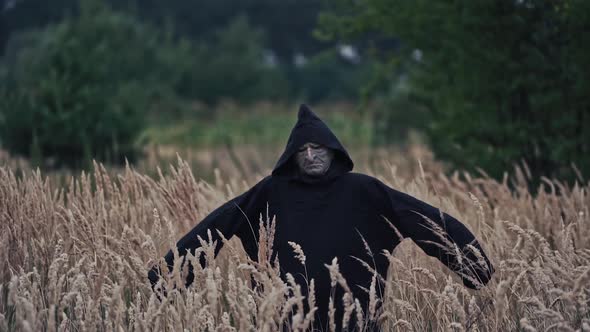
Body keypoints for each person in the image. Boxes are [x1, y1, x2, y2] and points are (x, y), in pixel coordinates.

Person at [148, 104, 494, 331]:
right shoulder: (271, 193)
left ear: (334, 150)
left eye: (318, 148)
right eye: (303, 151)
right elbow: (217, 227)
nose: (311, 156)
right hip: (286, 319)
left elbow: (422, 219)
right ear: (291, 157)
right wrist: (169, 276)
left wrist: (472, 264)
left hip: (354, 319)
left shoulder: (365, 191)